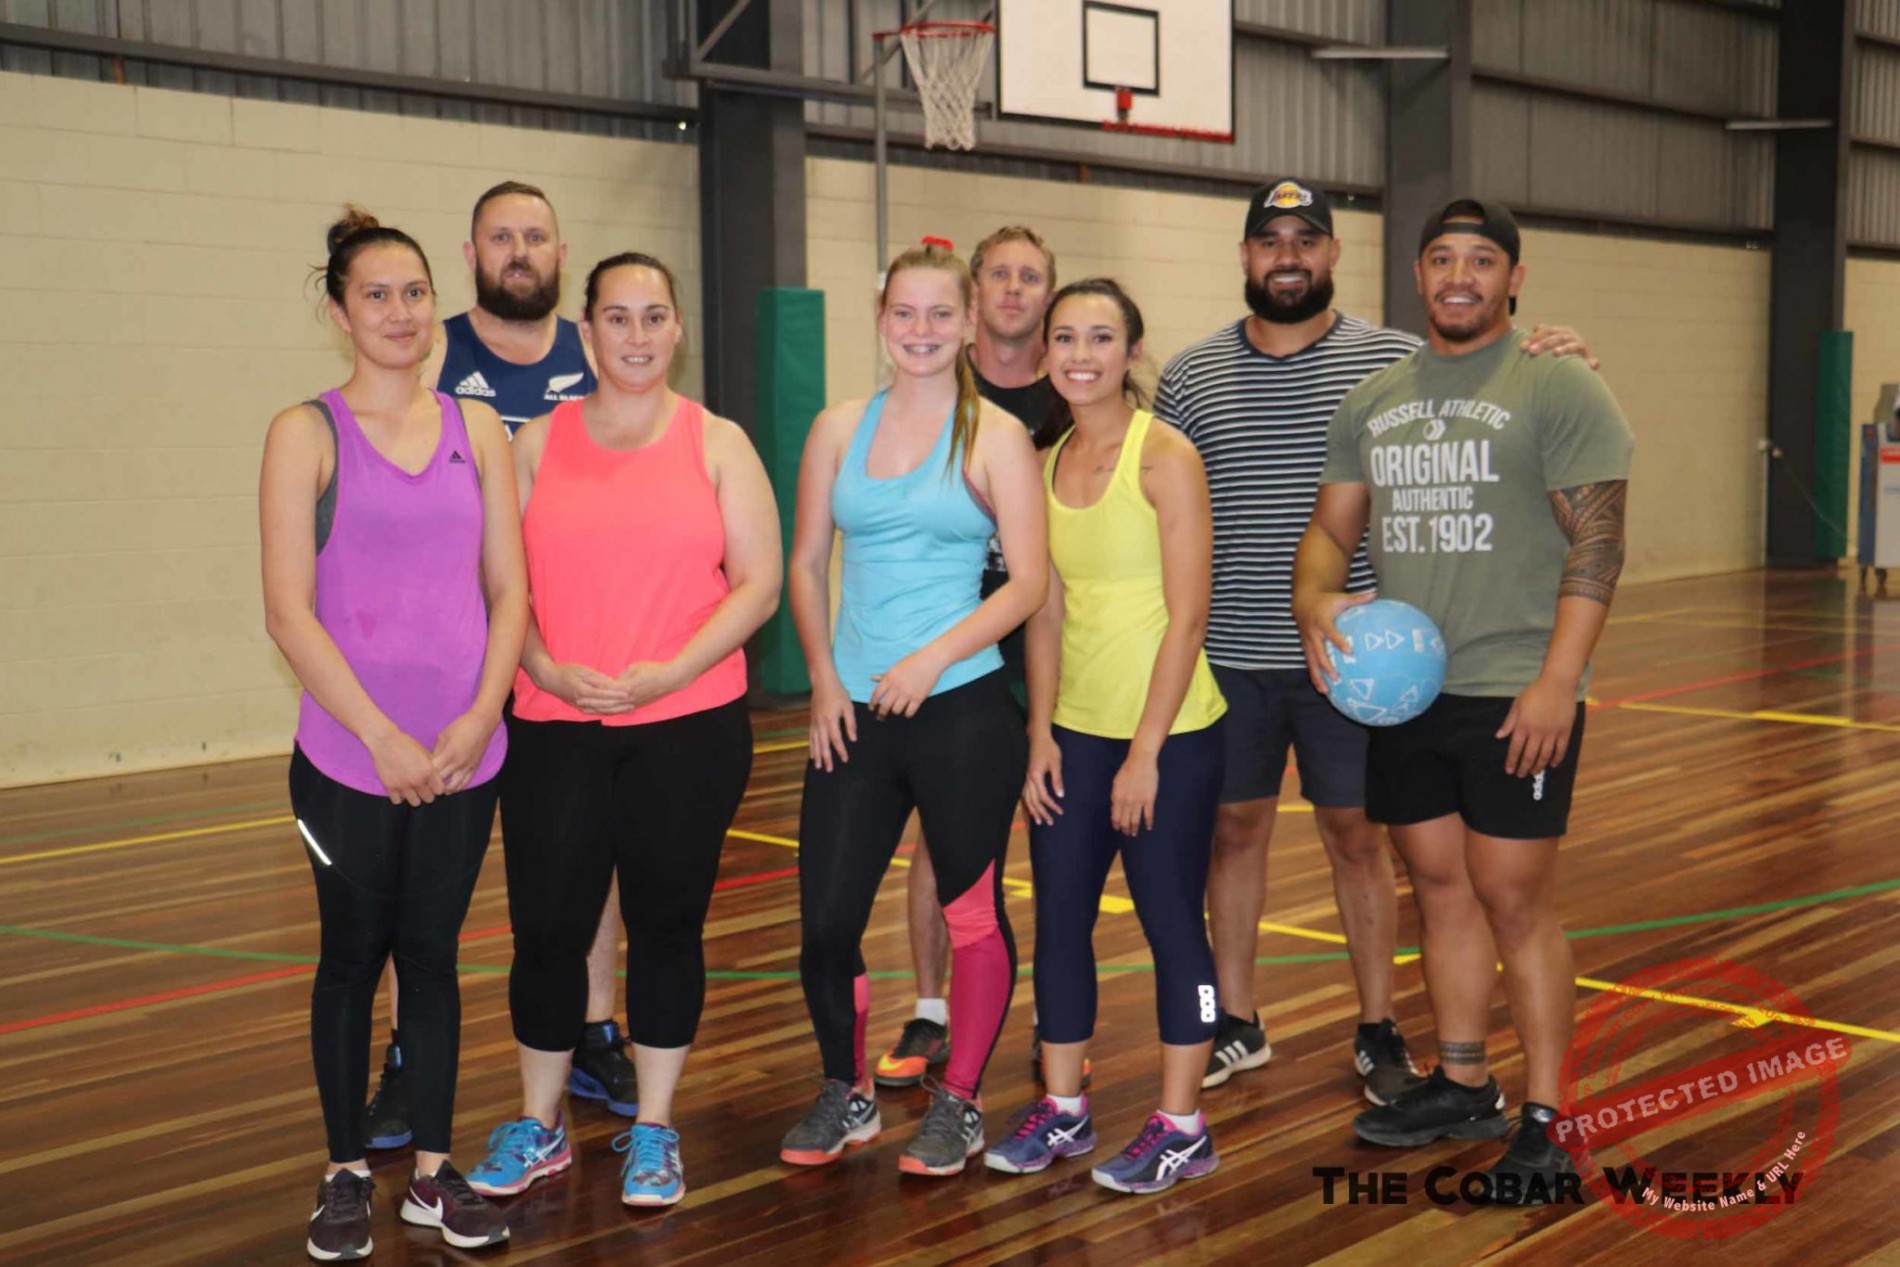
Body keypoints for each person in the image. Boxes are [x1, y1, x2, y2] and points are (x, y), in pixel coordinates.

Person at [1156, 178, 1596, 1099]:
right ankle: (1237, 1019)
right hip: (1229, 650)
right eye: (1270, 241)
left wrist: (1558, 349)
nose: (1287, 256)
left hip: (1372, 661)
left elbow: (1495, 372)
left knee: (1363, 838)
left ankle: (1380, 1026)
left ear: (1333, 254)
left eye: (1305, 240)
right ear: (1246, 256)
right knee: (1232, 832)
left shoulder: (1391, 359)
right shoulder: (1191, 376)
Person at [1295, 199, 1633, 1202]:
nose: (1458, 275)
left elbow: (1600, 541)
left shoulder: (1557, 381)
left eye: (1481, 260)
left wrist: (1558, 681)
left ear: (1513, 279)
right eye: (1442, 257)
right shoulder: (1374, 399)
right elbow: (1330, 529)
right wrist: (1314, 600)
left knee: (1513, 899)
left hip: (1515, 688)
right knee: (1437, 889)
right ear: (1417, 274)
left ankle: (1547, 1118)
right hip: (1408, 691)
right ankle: (1463, 1081)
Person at [464, 253, 781, 1208]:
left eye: (653, 316)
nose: (636, 335)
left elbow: (759, 584)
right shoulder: (533, 444)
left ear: (677, 327)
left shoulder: (718, 443)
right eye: (616, 317)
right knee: (547, 931)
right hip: (556, 724)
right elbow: (499, 584)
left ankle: (654, 1125)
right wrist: (543, 667)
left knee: (666, 927)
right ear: (587, 332)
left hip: (688, 727)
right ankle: (540, 1123)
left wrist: (672, 670)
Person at [261, 208, 525, 1259]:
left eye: (415, 291)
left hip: (464, 754)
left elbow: (509, 592)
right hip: (348, 760)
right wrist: (379, 737)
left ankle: (430, 1174)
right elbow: (289, 612)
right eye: (376, 294)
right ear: (339, 312)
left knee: (432, 959)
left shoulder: (480, 428)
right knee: (351, 959)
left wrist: (479, 716)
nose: (400, 311)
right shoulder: (304, 432)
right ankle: (342, 1172)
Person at [365, 181, 626, 1156]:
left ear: (561, 249)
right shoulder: (432, 354)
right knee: (421, 876)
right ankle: (405, 1059)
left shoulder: (597, 356)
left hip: (571, 659)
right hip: (460, 666)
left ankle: (595, 1029)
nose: (520, 251)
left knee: (586, 862)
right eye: (501, 237)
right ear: (470, 255)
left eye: (536, 236)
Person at [781, 241, 1047, 1176]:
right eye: (905, 312)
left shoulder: (996, 437)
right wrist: (823, 678)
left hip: (961, 707)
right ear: (881, 319)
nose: (921, 330)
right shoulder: (836, 428)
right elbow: (806, 562)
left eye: (941, 313)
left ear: (970, 323)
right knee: (826, 923)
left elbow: (1029, 583)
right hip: (853, 710)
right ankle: (846, 1090)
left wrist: (932, 659)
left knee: (971, 914)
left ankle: (961, 1100)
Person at [984, 278, 1227, 1195]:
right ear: (1044, 351)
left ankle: (1184, 1125)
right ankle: (1064, 1106)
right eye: (1065, 338)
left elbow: (1189, 617)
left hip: (1171, 738)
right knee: (1060, 922)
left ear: (1132, 351)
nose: (1080, 355)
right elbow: (1044, 614)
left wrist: (1147, 752)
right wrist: (1040, 734)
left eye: (1100, 337)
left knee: (1173, 925)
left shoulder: (1166, 456)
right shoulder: (1042, 463)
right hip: (1074, 738)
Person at [875, 225, 1062, 1091]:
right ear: (971, 294)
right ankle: (931, 1008)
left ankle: (1059, 1010)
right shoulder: (932, 380)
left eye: (1032, 277)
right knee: (939, 839)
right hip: (952, 650)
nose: (1014, 289)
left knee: (1057, 835)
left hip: (1052, 640)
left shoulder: (1076, 391)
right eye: (999, 275)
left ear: (1049, 294)